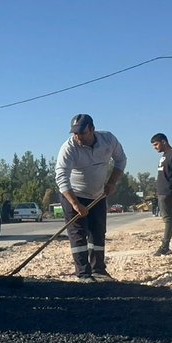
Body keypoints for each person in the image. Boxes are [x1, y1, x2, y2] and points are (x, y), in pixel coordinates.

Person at [54, 114, 126, 283]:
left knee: (98, 232)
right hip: (74, 195)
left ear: (92, 129)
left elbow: (121, 160)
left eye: (81, 133)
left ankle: (98, 270)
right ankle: (83, 274)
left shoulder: (108, 140)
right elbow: (61, 178)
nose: (77, 137)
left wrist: (111, 182)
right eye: (75, 133)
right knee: (78, 234)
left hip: (98, 195)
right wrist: (75, 204)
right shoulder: (69, 148)